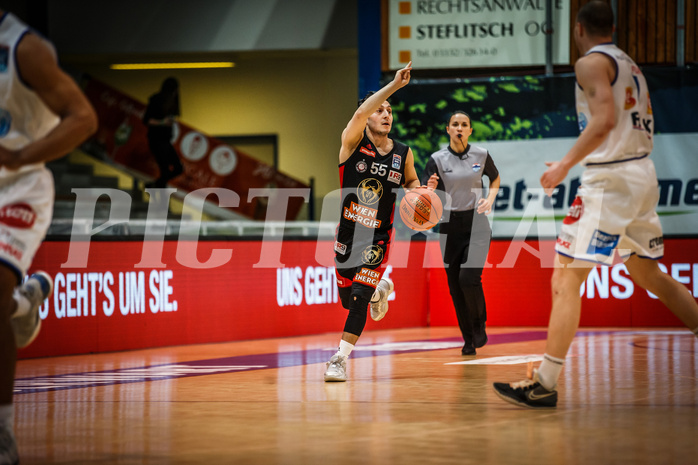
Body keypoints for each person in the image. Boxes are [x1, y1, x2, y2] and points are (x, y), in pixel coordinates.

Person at [492, 0, 698, 409]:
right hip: (642, 173)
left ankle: (545, 383)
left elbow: (603, 120)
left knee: (565, 278)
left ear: (579, 28)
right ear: (613, 27)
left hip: (612, 179)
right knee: (648, 273)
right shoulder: (629, 63)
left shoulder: (590, 63)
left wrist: (564, 166)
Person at [0, 9, 98, 463]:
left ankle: (3, 435)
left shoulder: (25, 49)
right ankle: (25, 302)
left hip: (18, 185)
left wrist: (20, 156)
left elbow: (83, 118)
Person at [324, 62, 422, 382]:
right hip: (347, 234)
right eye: (379, 109)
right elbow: (357, 116)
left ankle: (339, 358)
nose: (386, 114)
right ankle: (381, 289)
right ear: (368, 117)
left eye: (389, 110)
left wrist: (422, 197)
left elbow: (412, 184)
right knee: (345, 298)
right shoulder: (352, 142)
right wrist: (393, 86)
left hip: (378, 239)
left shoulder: (403, 153)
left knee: (358, 300)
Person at [423, 111, 500, 356]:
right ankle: (468, 339)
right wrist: (430, 189)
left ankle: (479, 324)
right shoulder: (436, 159)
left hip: (476, 223)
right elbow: (426, 195)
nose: (459, 128)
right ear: (448, 129)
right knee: (455, 286)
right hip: (448, 226)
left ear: (470, 130)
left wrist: (490, 198)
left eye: (464, 125)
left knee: (469, 279)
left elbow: (495, 179)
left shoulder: (481, 154)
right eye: (455, 124)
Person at [142, 77, 183, 188]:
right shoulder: (156, 100)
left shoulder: (171, 104)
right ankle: (157, 187)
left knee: (177, 168)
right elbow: (146, 120)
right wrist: (162, 122)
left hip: (165, 140)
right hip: (157, 140)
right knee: (166, 169)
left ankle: (156, 184)